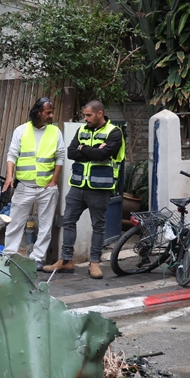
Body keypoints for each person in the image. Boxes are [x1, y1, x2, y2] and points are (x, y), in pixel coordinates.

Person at [42, 100, 124, 279]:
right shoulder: (82, 130)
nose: (85, 119)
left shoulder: (114, 132)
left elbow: (104, 155)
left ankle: (94, 262)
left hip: (100, 187)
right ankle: (66, 260)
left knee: (98, 226)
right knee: (68, 221)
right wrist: (91, 150)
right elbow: (71, 153)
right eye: (84, 115)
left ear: (100, 113)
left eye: (88, 115)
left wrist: (84, 149)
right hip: (78, 186)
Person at [1, 97, 66, 271]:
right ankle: (9, 255)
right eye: (48, 112)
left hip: (47, 187)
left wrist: (54, 181)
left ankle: (37, 258)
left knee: (45, 225)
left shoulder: (55, 132)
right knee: (15, 222)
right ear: (38, 112)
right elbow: (12, 155)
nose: (51, 115)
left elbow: (60, 157)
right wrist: (9, 176)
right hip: (24, 186)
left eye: (52, 112)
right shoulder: (21, 130)